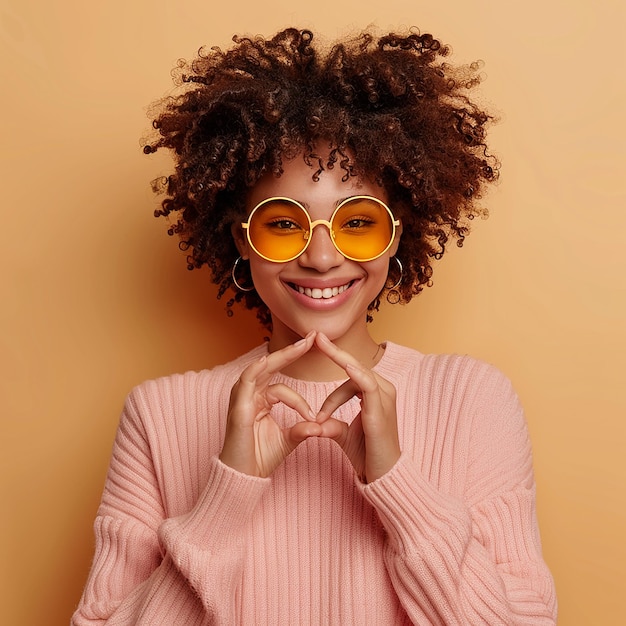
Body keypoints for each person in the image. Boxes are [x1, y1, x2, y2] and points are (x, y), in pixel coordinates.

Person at [72, 27, 557, 625]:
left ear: (397, 236)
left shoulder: (475, 400)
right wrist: (225, 497)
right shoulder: (158, 415)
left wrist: (397, 484)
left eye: (357, 223)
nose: (322, 258)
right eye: (284, 224)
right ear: (240, 241)